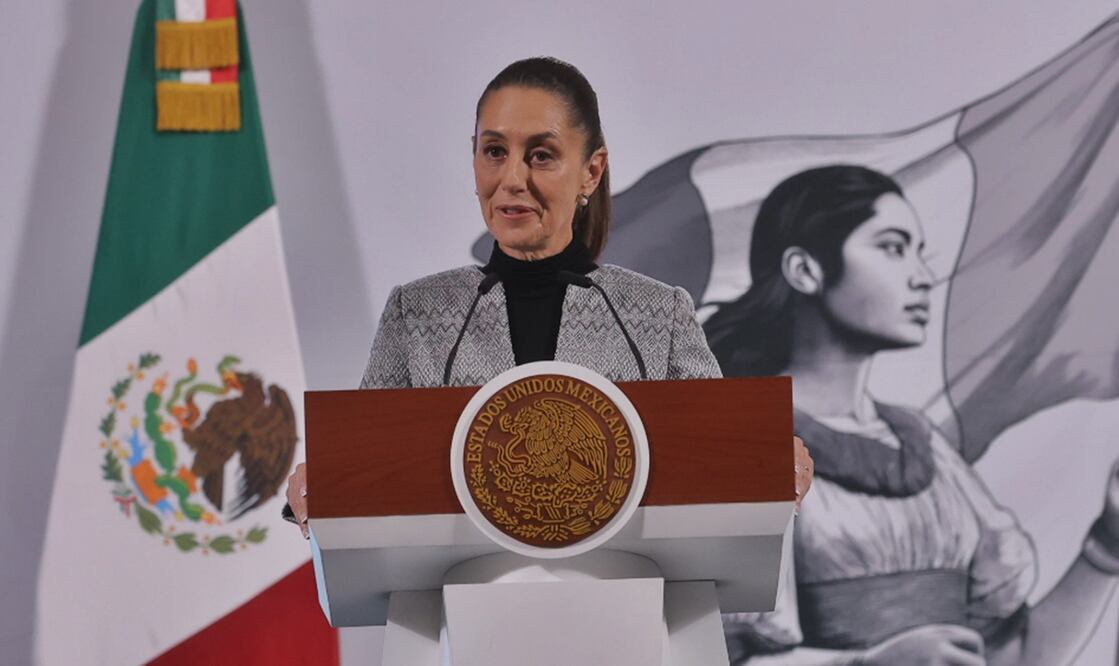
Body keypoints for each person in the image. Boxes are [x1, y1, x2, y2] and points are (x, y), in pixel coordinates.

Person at [284, 57, 813, 539]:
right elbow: (365, 474)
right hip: (463, 624)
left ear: (591, 171)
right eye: (494, 152)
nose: (511, 179)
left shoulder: (658, 317)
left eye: (540, 155)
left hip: (624, 623)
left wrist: (768, 464)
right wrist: (322, 490)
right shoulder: (416, 315)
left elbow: (725, 467)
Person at [704, 165, 1119, 665]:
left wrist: (1108, 543)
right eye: (893, 247)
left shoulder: (923, 446)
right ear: (805, 270)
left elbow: (1017, 658)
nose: (923, 276)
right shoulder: (739, 441)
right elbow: (709, 656)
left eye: (920, 252)